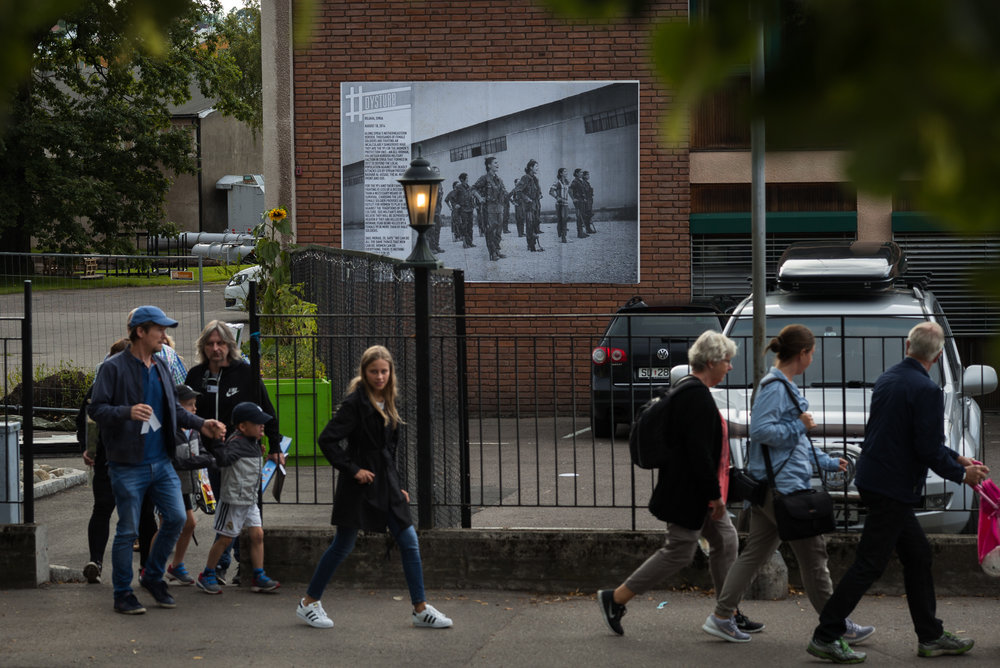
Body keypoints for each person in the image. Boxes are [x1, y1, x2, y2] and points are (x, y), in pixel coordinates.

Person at [807, 322, 990, 663]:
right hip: (893, 488)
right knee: (869, 563)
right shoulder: (926, 390)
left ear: (908, 346)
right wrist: (961, 474)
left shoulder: (888, 379)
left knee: (918, 556)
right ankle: (826, 634)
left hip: (877, 480)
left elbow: (915, 441)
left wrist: (957, 457)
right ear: (937, 356)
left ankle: (931, 635)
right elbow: (926, 449)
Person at [704, 324, 874, 644]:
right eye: (813, 352)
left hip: (774, 486)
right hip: (783, 488)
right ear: (803, 354)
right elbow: (763, 432)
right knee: (814, 558)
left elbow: (793, 445)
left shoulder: (783, 386)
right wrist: (799, 423)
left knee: (755, 553)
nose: (813, 358)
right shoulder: (775, 388)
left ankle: (722, 616)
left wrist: (824, 461)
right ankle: (835, 625)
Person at [596, 331, 760, 637]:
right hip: (690, 493)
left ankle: (728, 613)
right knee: (680, 551)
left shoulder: (691, 391)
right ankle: (615, 598)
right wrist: (715, 495)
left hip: (696, 490)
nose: (730, 367)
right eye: (727, 361)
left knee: (726, 541)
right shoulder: (695, 396)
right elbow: (698, 452)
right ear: (711, 362)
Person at [295, 345, 452, 630]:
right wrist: (353, 470)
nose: (379, 376)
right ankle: (308, 603)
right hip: (359, 487)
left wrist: (397, 485)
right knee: (343, 545)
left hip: (386, 485)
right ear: (364, 373)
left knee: (409, 542)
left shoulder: (389, 402)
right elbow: (327, 440)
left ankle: (420, 609)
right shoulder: (355, 404)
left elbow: (388, 451)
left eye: (384, 371)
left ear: (391, 373)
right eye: (374, 371)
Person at [88, 305, 226, 614]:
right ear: (140, 332)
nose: (165, 336)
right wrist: (126, 411)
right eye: (159, 330)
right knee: (126, 530)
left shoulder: (161, 367)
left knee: (177, 518)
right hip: (127, 464)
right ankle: (123, 593)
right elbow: (95, 410)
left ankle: (152, 575)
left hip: (162, 461)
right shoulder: (112, 368)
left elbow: (173, 411)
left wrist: (202, 424)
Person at [185, 319, 285, 584]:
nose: (216, 348)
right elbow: (184, 411)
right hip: (213, 456)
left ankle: (246, 567)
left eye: (221, 343)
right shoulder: (196, 375)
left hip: (244, 455)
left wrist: (274, 447)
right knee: (226, 511)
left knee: (247, 512)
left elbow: (267, 412)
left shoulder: (246, 373)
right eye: (210, 344)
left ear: (230, 345)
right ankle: (219, 568)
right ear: (203, 347)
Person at [197, 401, 281, 594]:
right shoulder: (236, 443)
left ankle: (258, 574)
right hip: (234, 501)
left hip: (249, 500)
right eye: (257, 423)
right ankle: (207, 573)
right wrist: (217, 442)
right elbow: (224, 460)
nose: (262, 426)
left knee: (258, 535)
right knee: (226, 539)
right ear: (243, 426)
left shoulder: (251, 443)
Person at [160, 384, 217, 585]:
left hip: (184, 485)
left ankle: (175, 566)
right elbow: (176, 462)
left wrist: (206, 458)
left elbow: (201, 451)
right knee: (172, 524)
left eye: (195, 405)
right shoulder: (168, 430)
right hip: (168, 483)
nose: (194, 409)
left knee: (188, 523)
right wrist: (203, 460)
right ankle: (153, 567)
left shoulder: (193, 429)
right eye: (189, 405)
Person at [472, 156, 508, 261]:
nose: (498, 164)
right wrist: (480, 198)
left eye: (498, 163)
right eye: (495, 163)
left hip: (499, 208)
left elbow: (505, 192)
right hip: (489, 208)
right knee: (490, 231)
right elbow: (473, 188)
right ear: (489, 165)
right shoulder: (484, 178)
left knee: (499, 231)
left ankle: (497, 250)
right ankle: (492, 253)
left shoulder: (499, 179)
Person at [518, 160, 544, 252]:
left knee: (535, 223)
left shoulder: (535, 179)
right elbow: (518, 191)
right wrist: (526, 199)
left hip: (536, 204)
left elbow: (538, 190)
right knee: (530, 224)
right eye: (536, 166)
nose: (537, 168)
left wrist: (540, 194)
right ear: (530, 167)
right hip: (529, 206)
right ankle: (531, 245)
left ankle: (534, 243)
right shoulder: (525, 178)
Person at [549, 167, 580, 242]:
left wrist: (573, 199)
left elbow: (569, 191)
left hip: (565, 203)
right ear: (561, 173)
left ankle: (564, 236)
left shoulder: (567, 182)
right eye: (565, 172)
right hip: (559, 204)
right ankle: (562, 237)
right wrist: (557, 197)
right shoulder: (557, 182)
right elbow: (551, 191)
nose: (566, 173)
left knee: (564, 220)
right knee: (561, 220)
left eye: (566, 171)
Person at [455, 173, 476, 248]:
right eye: (466, 178)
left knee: (470, 226)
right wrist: (456, 204)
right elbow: (454, 197)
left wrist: (473, 206)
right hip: (463, 210)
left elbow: (471, 197)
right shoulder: (458, 187)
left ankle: (470, 242)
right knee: (464, 226)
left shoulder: (469, 187)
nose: (467, 179)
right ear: (462, 179)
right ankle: (465, 243)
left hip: (470, 209)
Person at [569, 168, 589, 238]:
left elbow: (582, 191)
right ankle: (579, 233)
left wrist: (584, 198)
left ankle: (582, 232)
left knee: (582, 216)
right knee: (579, 216)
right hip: (578, 201)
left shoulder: (580, 181)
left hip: (582, 200)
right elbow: (570, 190)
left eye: (582, 172)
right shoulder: (575, 181)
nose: (582, 174)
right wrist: (573, 198)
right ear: (577, 173)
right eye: (580, 172)